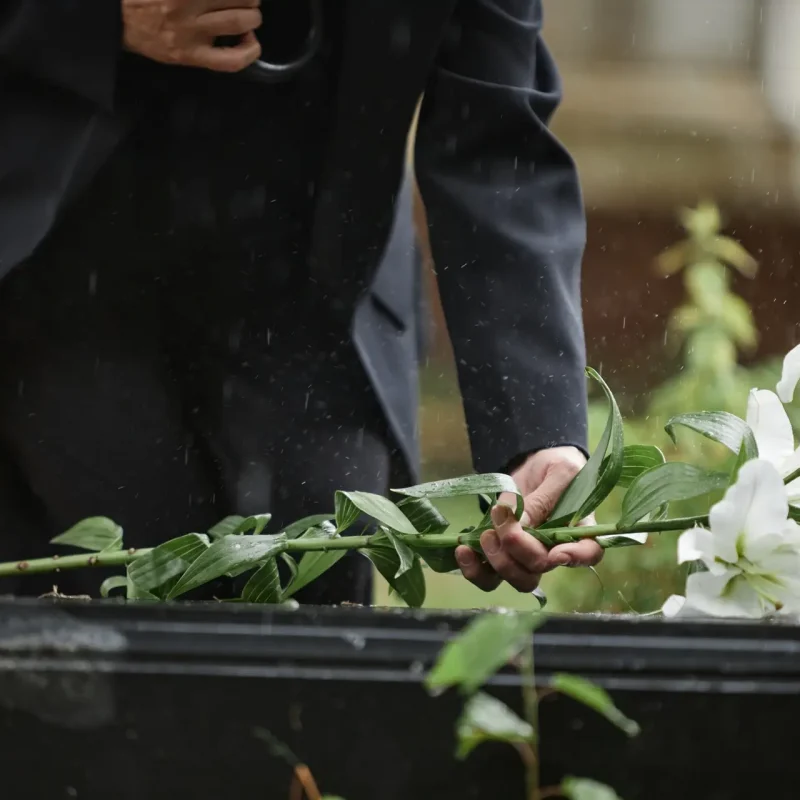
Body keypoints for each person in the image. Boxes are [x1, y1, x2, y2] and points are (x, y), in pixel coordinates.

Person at [0, 0, 601, 603]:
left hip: (322, 298)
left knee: (320, 618)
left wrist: (537, 433)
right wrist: (86, 20)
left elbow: (497, 147)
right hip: (62, 269)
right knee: (84, 620)